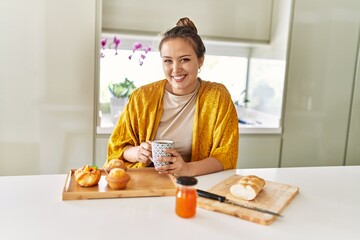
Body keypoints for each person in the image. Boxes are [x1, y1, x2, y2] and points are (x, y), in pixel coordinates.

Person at [105, 17, 239, 176]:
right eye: (168, 61)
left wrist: (187, 169)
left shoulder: (217, 96)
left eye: (185, 60)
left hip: (195, 183)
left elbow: (226, 155)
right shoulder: (141, 97)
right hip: (147, 182)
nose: (176, 69)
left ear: (200, 60)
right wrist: (138, 152)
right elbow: (118, 148)